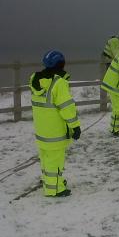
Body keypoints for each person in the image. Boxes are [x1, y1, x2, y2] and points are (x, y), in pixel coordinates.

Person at [29, 50, 81, 197]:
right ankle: (53, 190)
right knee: (55, 161)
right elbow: (67, 108)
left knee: (46, 159)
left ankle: (51, 181)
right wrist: (75, 126)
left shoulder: (34, 79)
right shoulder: (58, 84)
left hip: (42, 130)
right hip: (56, 132)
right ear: (60, 64)